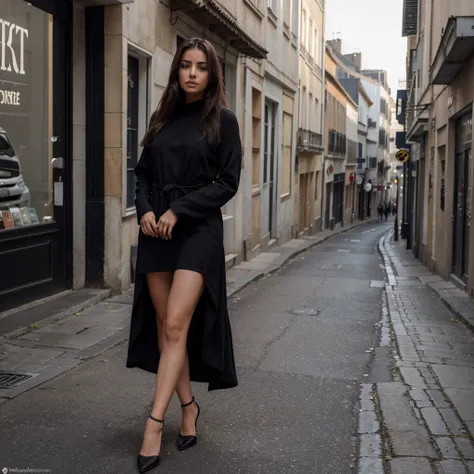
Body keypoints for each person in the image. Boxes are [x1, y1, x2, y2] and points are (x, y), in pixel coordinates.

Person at [126, 37, 241, 473]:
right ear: (177, 71)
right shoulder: (162, 117)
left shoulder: (223, 121)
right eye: (186, 66)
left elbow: (227, 183)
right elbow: (142, 174)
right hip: (158, 230)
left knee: (175, 323)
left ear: (212, 75)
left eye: (201, 67)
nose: (192, 73)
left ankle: (153, 426)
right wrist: (147, 211)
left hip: (197, 229)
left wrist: (178, 209)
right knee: (166, 327)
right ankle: (188, 406)